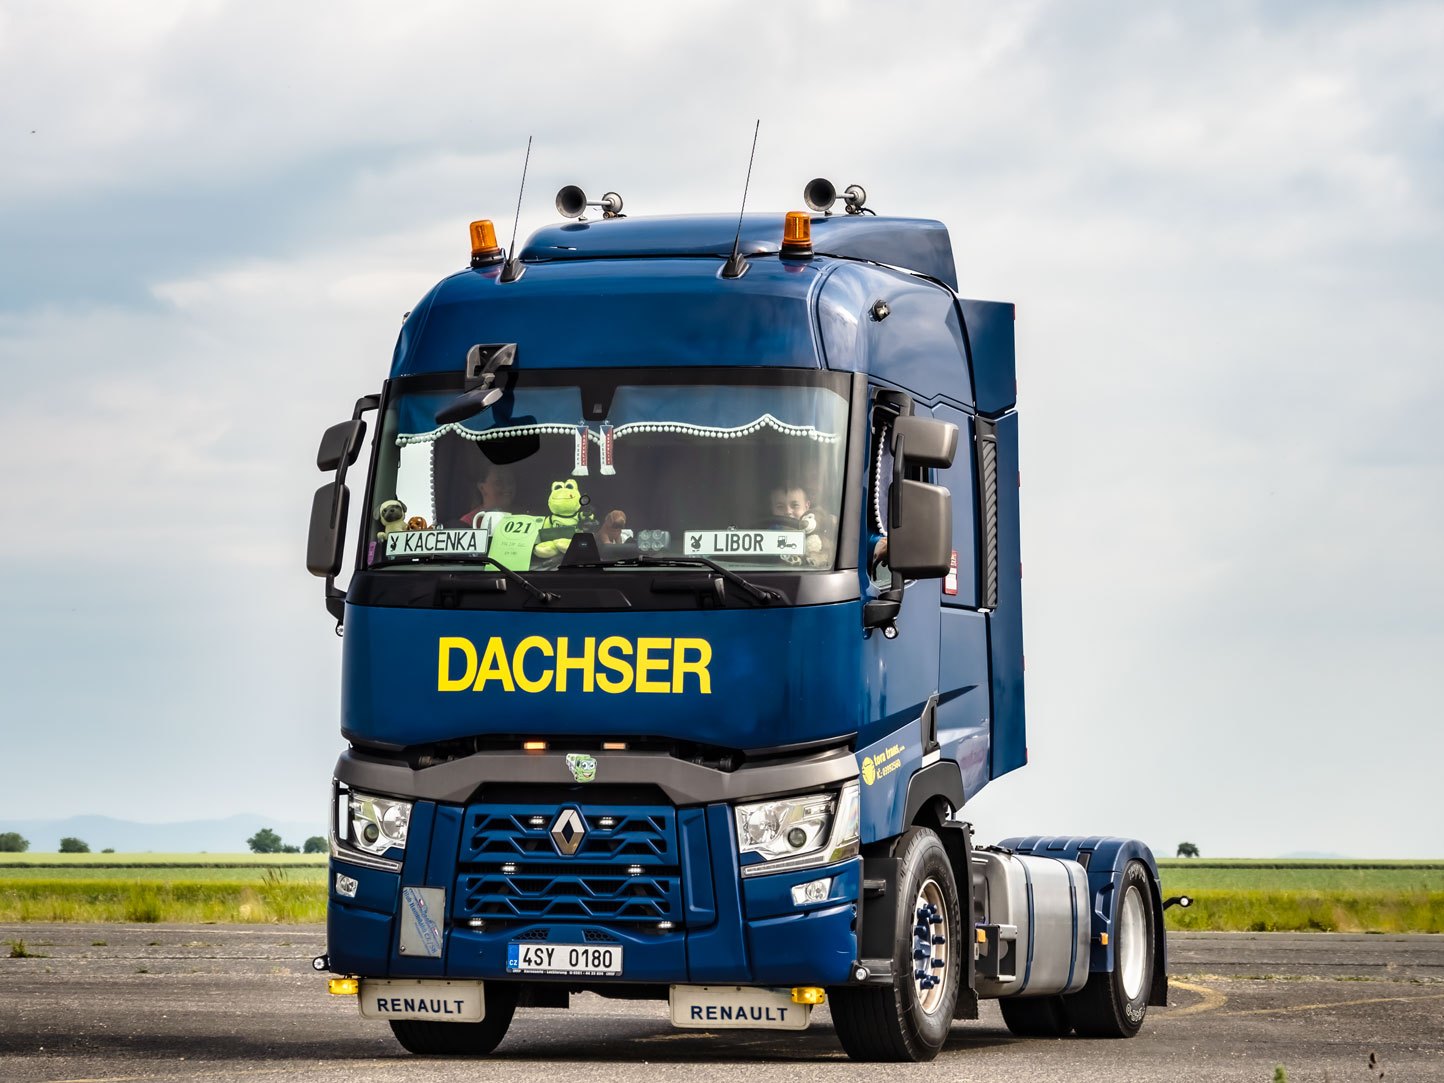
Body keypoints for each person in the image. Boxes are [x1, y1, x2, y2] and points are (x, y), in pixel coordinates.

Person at [459, 463, 516, 527]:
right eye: (498, 482)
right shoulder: (468, 522)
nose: (507, 487)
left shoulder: (522, 516)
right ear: (482, 488)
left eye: (510, 481)